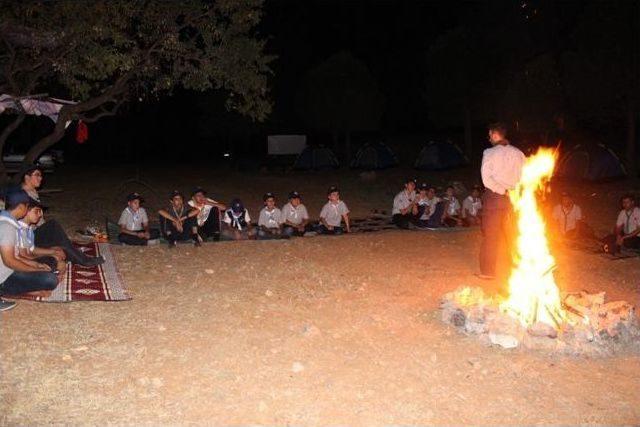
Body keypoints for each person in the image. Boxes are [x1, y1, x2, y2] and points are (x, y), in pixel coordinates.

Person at [20, 164, 103, 266]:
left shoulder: (32, 191)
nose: (40, 178)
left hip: (35, 233)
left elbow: (39, 219)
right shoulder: (22, 195)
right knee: (53, 227)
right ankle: (83, 260)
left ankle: (71, 253)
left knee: (57, 235)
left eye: (41, 175)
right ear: (27, 177)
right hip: (27, 238)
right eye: (37, 175)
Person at [479, 122, 525, 279]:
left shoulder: (490, 153)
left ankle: (488, 272)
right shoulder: (519, 153)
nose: (489, 138)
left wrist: (503, 190)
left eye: (490, 135)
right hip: (514, 199)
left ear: (494, 134)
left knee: (491, 235)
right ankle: (521, 270)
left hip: (495, 198)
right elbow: (524, 176)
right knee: (514, 235)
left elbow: (486, 179)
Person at [0, 188, 59, 309]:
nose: (27, 210)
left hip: (8, 271)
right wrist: (33, 269)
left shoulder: (9, 223)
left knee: (46, 268)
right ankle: (8, 291)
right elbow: (9, 261)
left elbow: (15, 256)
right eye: (27, 207)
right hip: (4, 278)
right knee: (50, 279)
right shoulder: (7, 227)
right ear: (21, 207)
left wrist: (35, 265)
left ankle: (24, 288)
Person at [17, 198, 67, 282]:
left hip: (29, 258)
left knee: (57, 251)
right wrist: (52, 255)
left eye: (40, 212)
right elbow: (23, 256)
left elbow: (32, 249)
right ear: (25, 212)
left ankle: (53, 270)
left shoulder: (28, 228)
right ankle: (52, 272)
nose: (40, 215)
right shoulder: (20, 229)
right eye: (37, 211)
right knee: (55, 261)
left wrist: (52, 251)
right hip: (20, 263)